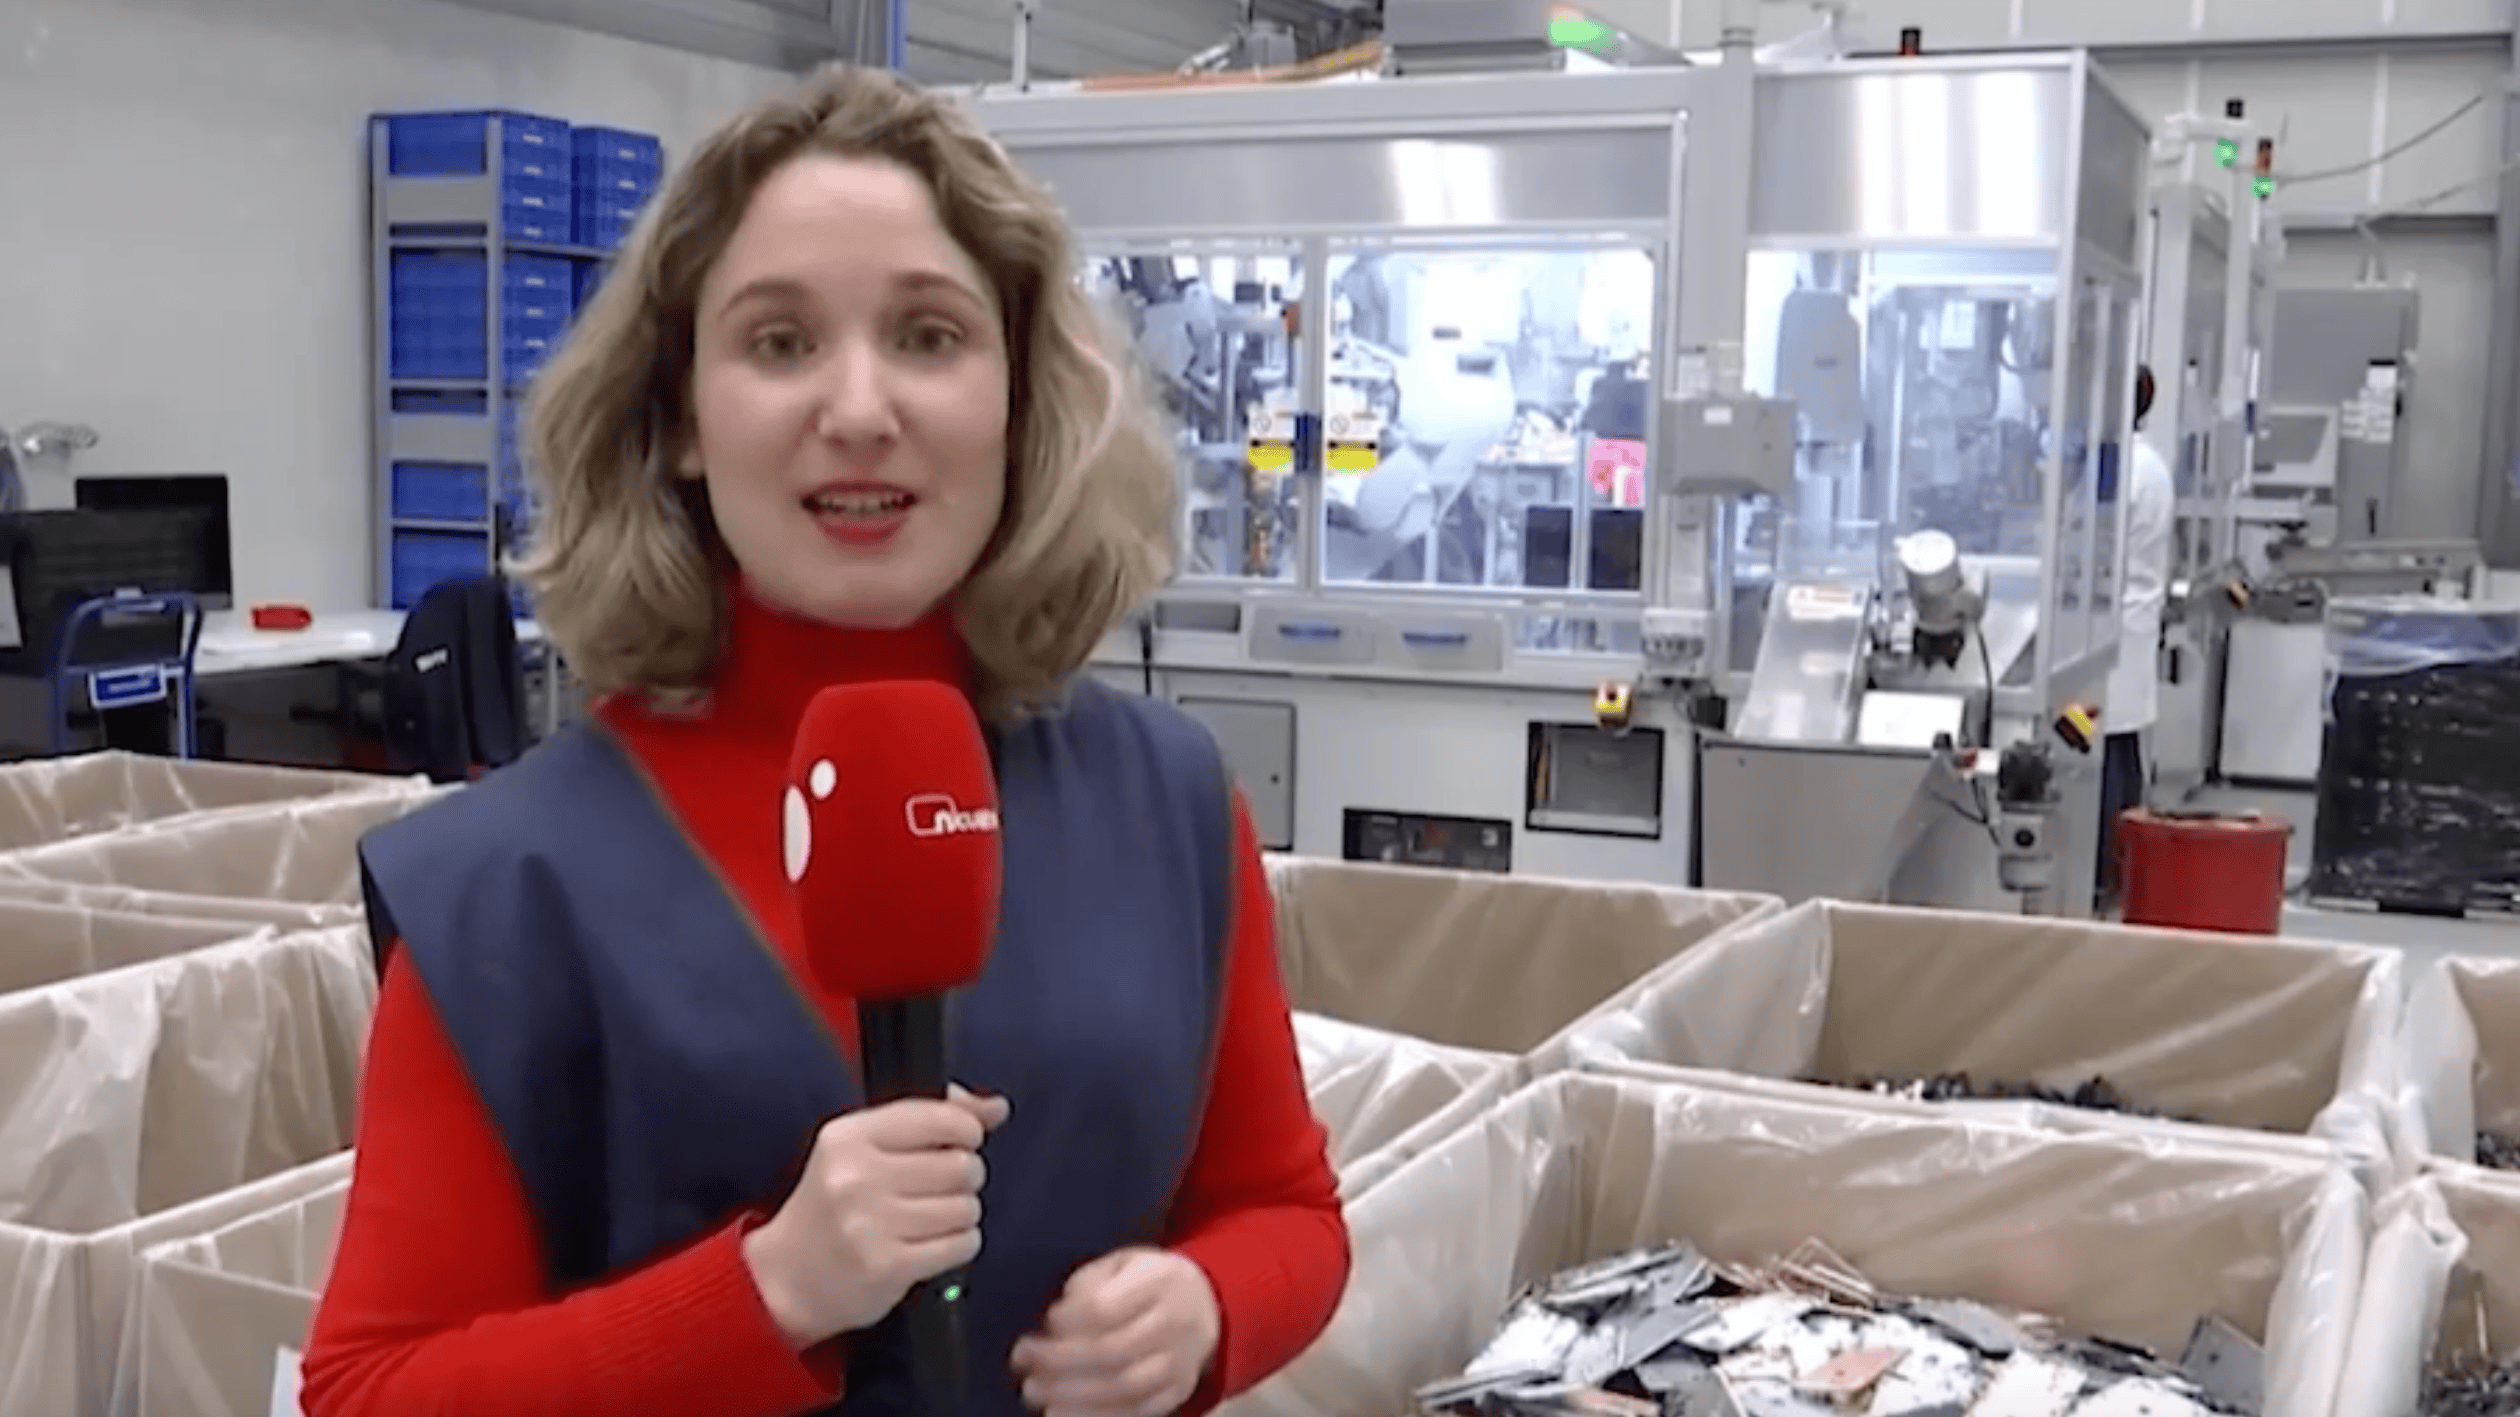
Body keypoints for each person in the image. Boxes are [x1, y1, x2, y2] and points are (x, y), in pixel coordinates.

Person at [300, 65, 1350, 1417]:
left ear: (1021, 396)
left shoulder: (1169, 802)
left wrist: (1213, 1306)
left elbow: (1286, 1207)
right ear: (679, 415)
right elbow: (370, 1392)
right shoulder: (509, 889)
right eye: (780, 343)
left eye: (927, 335)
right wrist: (767, 1292)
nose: (860, 409)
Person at [2099, 363, 2175, 907]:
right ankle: (2120, 872)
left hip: (2113, 625)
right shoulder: (2148, 463)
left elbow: (2089, 544)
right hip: (2130, 624)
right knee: (2121, 750)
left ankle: (2104, 871)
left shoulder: (2123, 467)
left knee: (2105, 756)